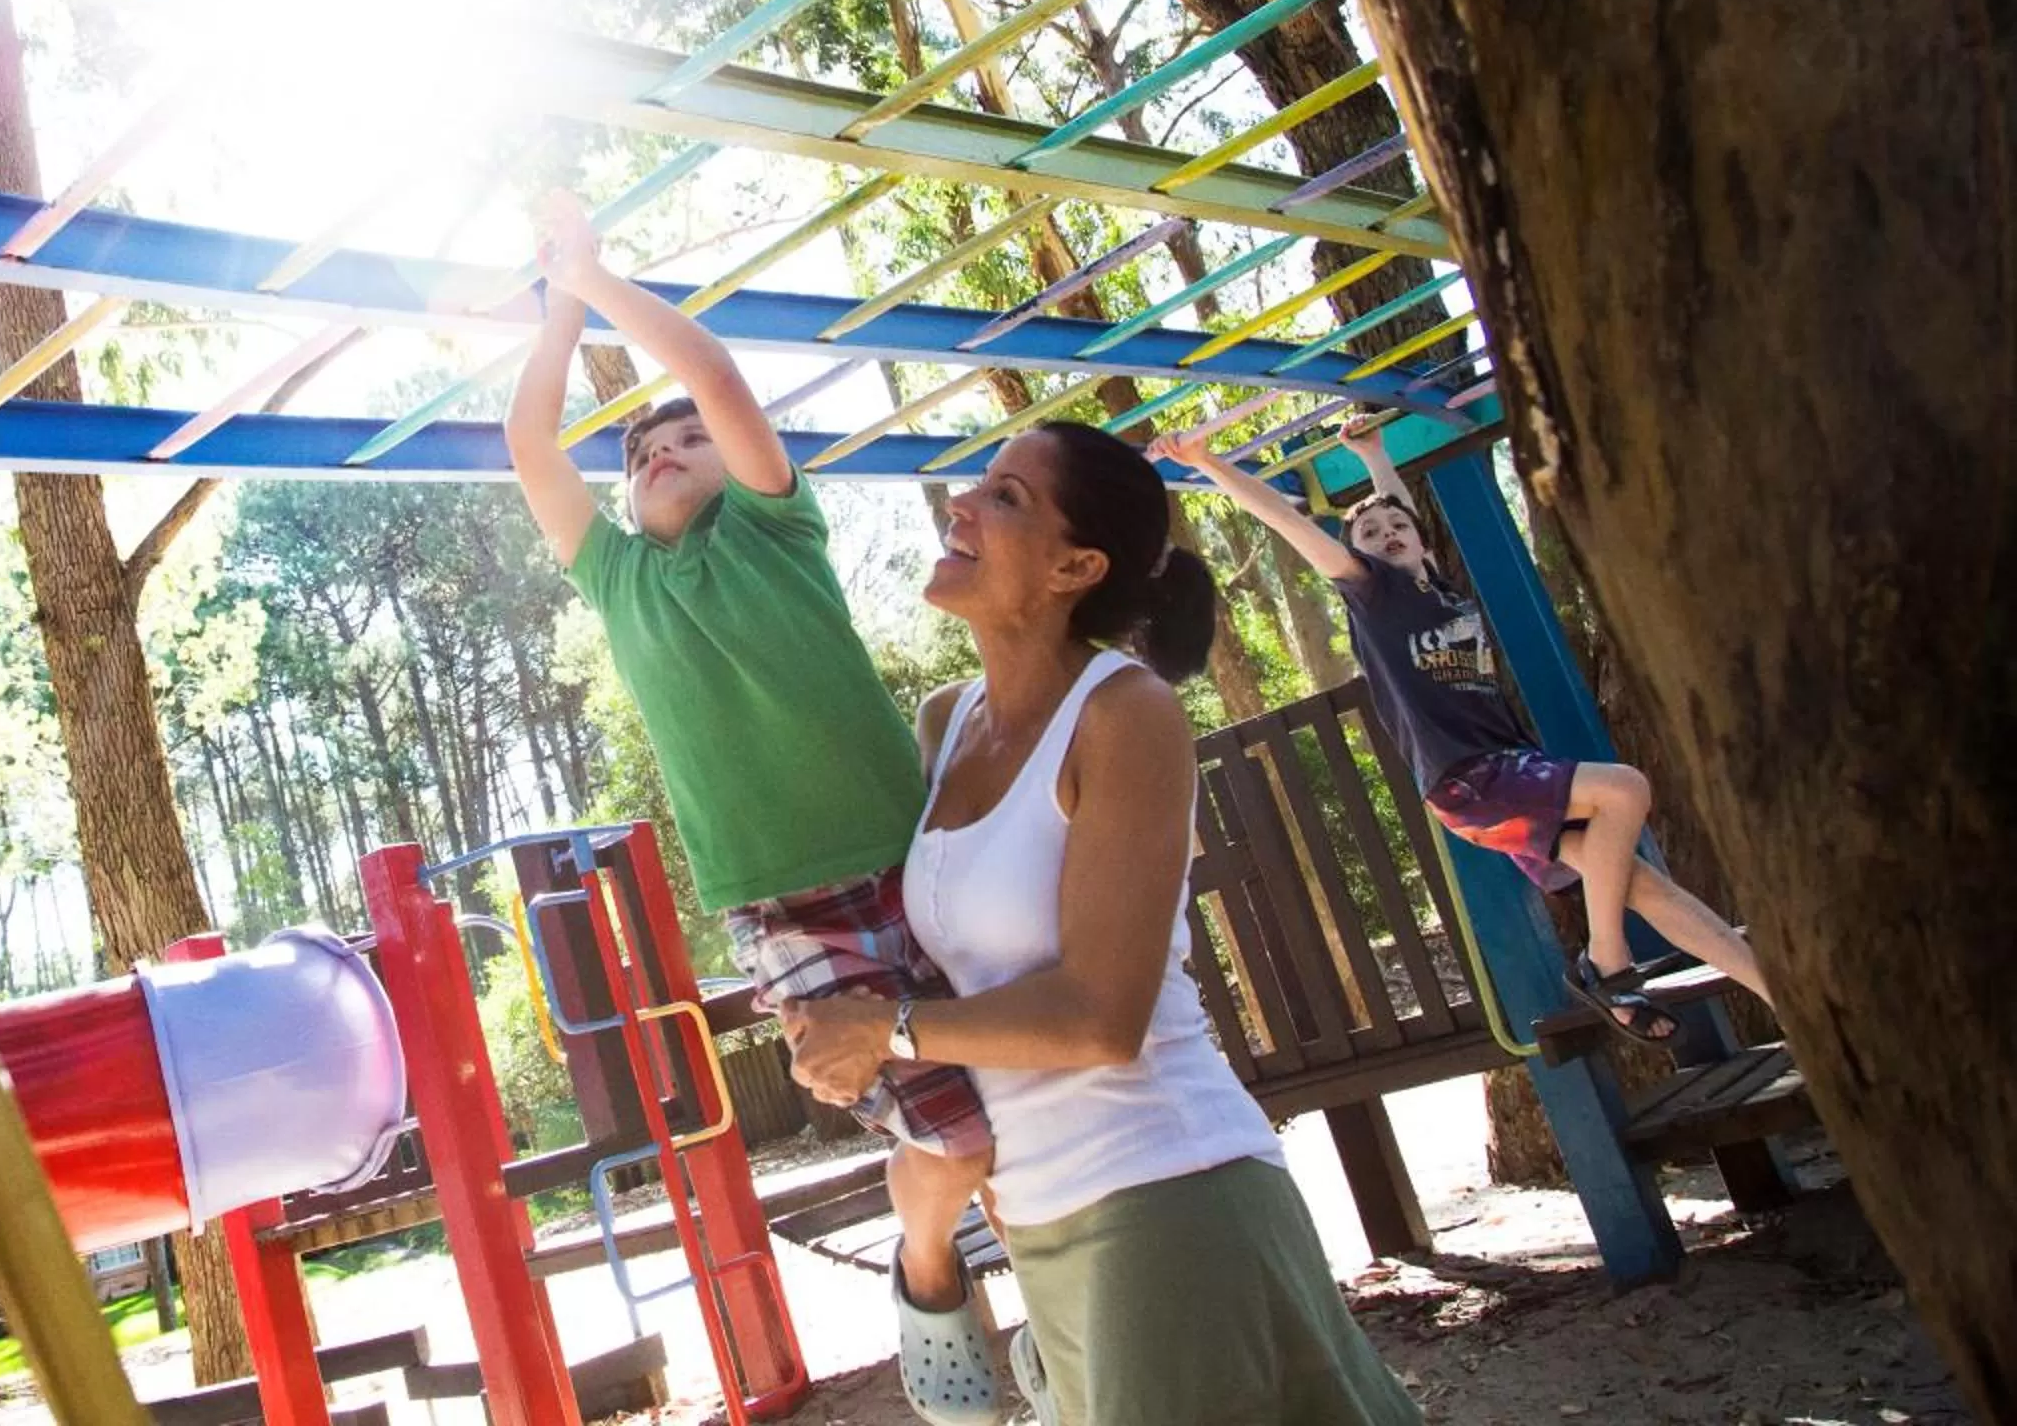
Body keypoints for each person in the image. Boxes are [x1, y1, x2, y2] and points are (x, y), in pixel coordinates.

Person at [785, 423, 1422, 1426]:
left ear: (1075, 565)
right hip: (1041, 1217)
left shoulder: (1126, 712)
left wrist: (887, 1027)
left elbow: (1100, 1016)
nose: (961, 505)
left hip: (1165, 1188)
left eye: (1004, 497)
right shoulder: (943, 721)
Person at [505, 192, 1003, 1426]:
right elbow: (530, 444)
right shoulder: (621, 581)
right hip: (789, 908)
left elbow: (708, 369)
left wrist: (599, 272)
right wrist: (557, 307)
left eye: (681, 439)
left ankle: (1007, 1294)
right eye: (634, 455)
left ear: (739, 464)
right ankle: (946, 1275)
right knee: (975, 1137)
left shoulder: (777, 526)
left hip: (921, 861)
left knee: (1012, 1109)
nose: (655, 450)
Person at [1151, 418, 1770, 1039]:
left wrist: (1376, 455)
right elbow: (1292, 526)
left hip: (1508, 774)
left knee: (1646, 887)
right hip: (1470, 779)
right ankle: (1606, 962)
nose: (1387, 533)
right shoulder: (1375, 596)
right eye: (1369, 533)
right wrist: (1212, 465)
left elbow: (1400, 509)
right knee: (1626, 788)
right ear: (1356, 554)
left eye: (1398, 528)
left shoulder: (1441, 591)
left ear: (1423, 544)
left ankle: (1782, 997)